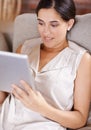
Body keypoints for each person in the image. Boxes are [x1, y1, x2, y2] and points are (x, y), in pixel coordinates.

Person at [0, 0, 91, 130]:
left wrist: (43, 108)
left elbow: (80, 119)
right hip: (5, 120)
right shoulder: (25, 48)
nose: (45, 32)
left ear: (69, 24)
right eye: (41, 23)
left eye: (53, 25)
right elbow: (5, 94)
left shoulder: (81, 59)